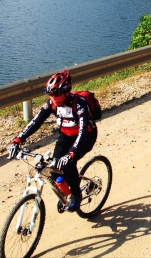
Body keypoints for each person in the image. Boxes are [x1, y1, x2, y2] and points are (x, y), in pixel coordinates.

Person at [8, 70, 97, 212]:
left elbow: (82, 131)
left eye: (57, 94)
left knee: (68, 164)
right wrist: (18, 140)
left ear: (67, 92)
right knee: (54, 168)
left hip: (86, 137)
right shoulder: (52, 104)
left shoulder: (79, 104)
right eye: (51, 94)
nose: (53, 98)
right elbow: (36, 122)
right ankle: (65, 191)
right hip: (66, 136)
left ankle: (76, 194)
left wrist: (71, 154)